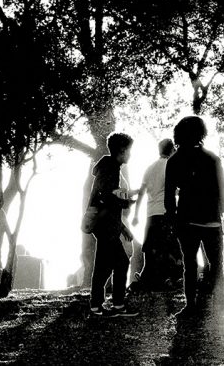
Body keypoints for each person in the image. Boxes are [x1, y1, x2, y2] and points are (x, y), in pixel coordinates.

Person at [165, 116, 224, 318]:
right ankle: (220, 300)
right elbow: (222, 187)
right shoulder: (212, 159)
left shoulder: (174, 160)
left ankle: (190, 305)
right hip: (211, 218)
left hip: (186, 220)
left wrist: (172, 219)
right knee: (216, 262)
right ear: (202, 133)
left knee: (189, 264)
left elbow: (169, 195)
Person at [89, 133, 139, 317]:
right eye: (129, 151)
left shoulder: (108, 166)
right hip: (106, 225)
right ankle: (116, 305)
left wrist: (122, 228)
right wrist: (125, 203)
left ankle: (99, 305)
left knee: (106, 265)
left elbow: (107, 196)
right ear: (122, 151)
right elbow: (106, 197)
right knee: (119, 263)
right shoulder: (111, 168)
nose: (130, 155)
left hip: (106, 225)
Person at [133, 138, 181, 290]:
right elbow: (175, 189)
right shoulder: (171, 166)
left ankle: (147, 278)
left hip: (151, 213)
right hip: (165, 212)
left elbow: (141, 193)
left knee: (151, 247)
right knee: (170, 246)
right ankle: (171, 278)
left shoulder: (150, 168)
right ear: (172, 150)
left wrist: (135, 215)